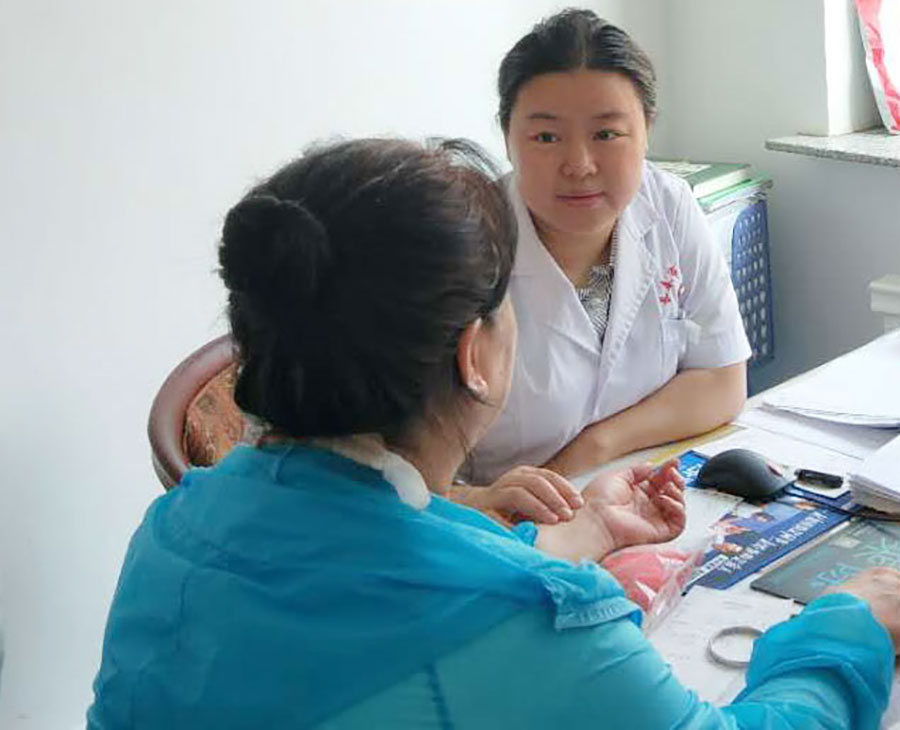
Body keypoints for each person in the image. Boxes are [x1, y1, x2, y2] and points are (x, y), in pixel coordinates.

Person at [88, 138, 898, 729]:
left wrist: (579, 535)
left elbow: (365, 558)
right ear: (474, 354)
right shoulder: (532, 623)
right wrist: (846, 622)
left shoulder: (173, 529)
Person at [466, 9, 752, 485]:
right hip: (500, 513)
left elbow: (723, 382)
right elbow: (403, 461)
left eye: (606, 134)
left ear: (647, 130)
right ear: (508, 138)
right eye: (546, 137)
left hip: (638, 486)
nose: (579, 164)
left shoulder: (668, 205)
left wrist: (593, 447)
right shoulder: (465, 243)